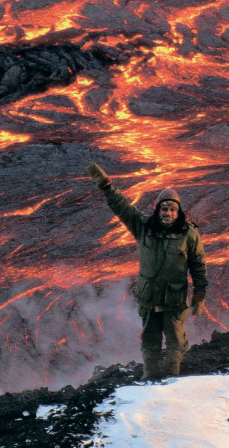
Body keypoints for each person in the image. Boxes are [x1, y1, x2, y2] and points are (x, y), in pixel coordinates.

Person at [86, 163, 208, 380]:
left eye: (172, 209)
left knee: (175, 342)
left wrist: (200, 294)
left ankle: (172, 380)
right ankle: (150, 380)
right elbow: (122, 207)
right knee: (150, 342)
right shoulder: (144, 226)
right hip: (149, 298)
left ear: (178, 211)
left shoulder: (188, 234)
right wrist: (106, 186)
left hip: (174, 299)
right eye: (164, 209)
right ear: (157, 209)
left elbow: (198, 264)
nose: (167, 213)